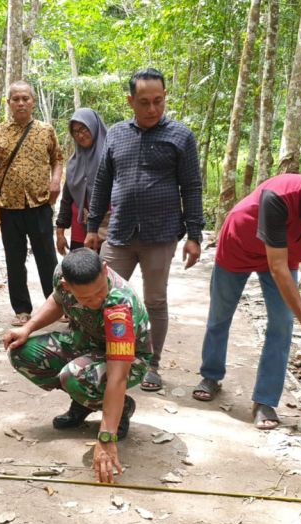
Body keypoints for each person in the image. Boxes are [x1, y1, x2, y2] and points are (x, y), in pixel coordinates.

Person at [193, 164, 301, 429]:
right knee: (221, 314)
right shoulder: (278, 197)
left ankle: (265, 400)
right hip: (241, 246)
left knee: (282, 324)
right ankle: (210, 375)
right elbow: (277, 267)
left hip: (289, 254)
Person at [85, 68, 204, 392]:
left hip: (160, 234)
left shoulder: (181, 136)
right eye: (144, 102)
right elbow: (102, 182)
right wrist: (93, 227)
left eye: (158, 101)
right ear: (130, 102)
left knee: (155, 301)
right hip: (119, 233)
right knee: (102, 296)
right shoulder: (117, 134)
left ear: (165, 98)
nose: (152, 109)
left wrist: (195, 235)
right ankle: (104, 358)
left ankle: (151, 364)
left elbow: (191, 187)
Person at [3, 248, 150, 484]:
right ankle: (85, 402)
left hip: (128, 360)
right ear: (67, 283)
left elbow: (117, 376)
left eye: (100, 292)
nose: (96, 301)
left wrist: (106, 437)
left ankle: (117, 410)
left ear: (104, 269)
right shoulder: (62, 275)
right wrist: (27, 328)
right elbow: (58, 300)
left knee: (75, 375)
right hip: (83, 343)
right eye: (86, 298)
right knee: (22, 353)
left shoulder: (119, 306)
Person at [0, 81, 64, 327]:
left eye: (25, 98)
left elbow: (57, 159)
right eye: (15, 99)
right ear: (8, 103)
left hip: (39, 204)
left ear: (33, 101)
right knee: (14, 260)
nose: (21, 103)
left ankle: (59, 305)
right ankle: (22, 309)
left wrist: (55, 182)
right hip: (8, 207)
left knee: (47, 258)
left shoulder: (45, 130)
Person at [56, 108, 108, 255]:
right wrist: (60, 233)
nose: (80, 135)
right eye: (75, 132)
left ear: (94, 126)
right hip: (80, 227)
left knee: (106, 275)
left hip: (108, 227)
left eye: (84, 129)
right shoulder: (74, 162)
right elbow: (67, 199)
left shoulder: (111, 156)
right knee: (80, 274)